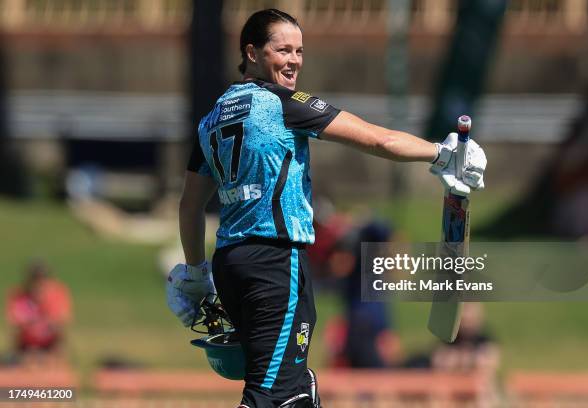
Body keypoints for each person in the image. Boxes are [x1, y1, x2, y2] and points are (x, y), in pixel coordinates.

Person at [166, 9, 487, 408]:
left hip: (232, 264)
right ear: (251, 52)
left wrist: (196, 272)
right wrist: (441, 154)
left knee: (298, 391)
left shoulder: (211, 118)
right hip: (275, 263)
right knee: (271, 396)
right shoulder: (282, 103)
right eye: (282, 49)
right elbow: (378, 140)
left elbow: (190, 205)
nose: (294, 60)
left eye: (299, 50)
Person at [5, 260, 72, 364]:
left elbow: (62, 321)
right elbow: (14, 323)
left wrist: (45, 304)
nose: (38, 283)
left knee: (58, 354)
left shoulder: (57, 294)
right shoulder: (18, 296)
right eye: (35, 279)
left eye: (42, 279)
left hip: (51, 344)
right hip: (25, 346)